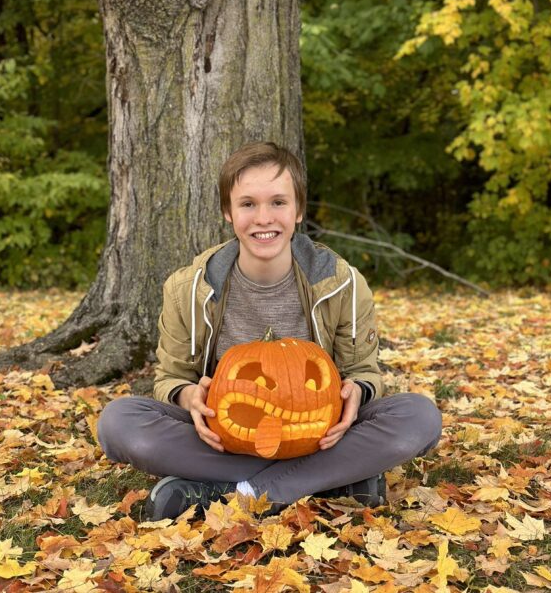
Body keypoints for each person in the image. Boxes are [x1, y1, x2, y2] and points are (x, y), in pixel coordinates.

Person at [97, 142, 442, 520]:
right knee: (119, 422)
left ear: (298, 211)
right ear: (228, 212)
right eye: (248, 204)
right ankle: (332, 482)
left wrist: (357, 391)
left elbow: (363, 370)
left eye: (278, 202)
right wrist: (188, 397)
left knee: (419, 416)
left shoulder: (341, 282)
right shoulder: (188, 288)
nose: (264, 218)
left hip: (321, 436)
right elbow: (172, 377)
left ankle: (236, 493)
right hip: (224, 438)